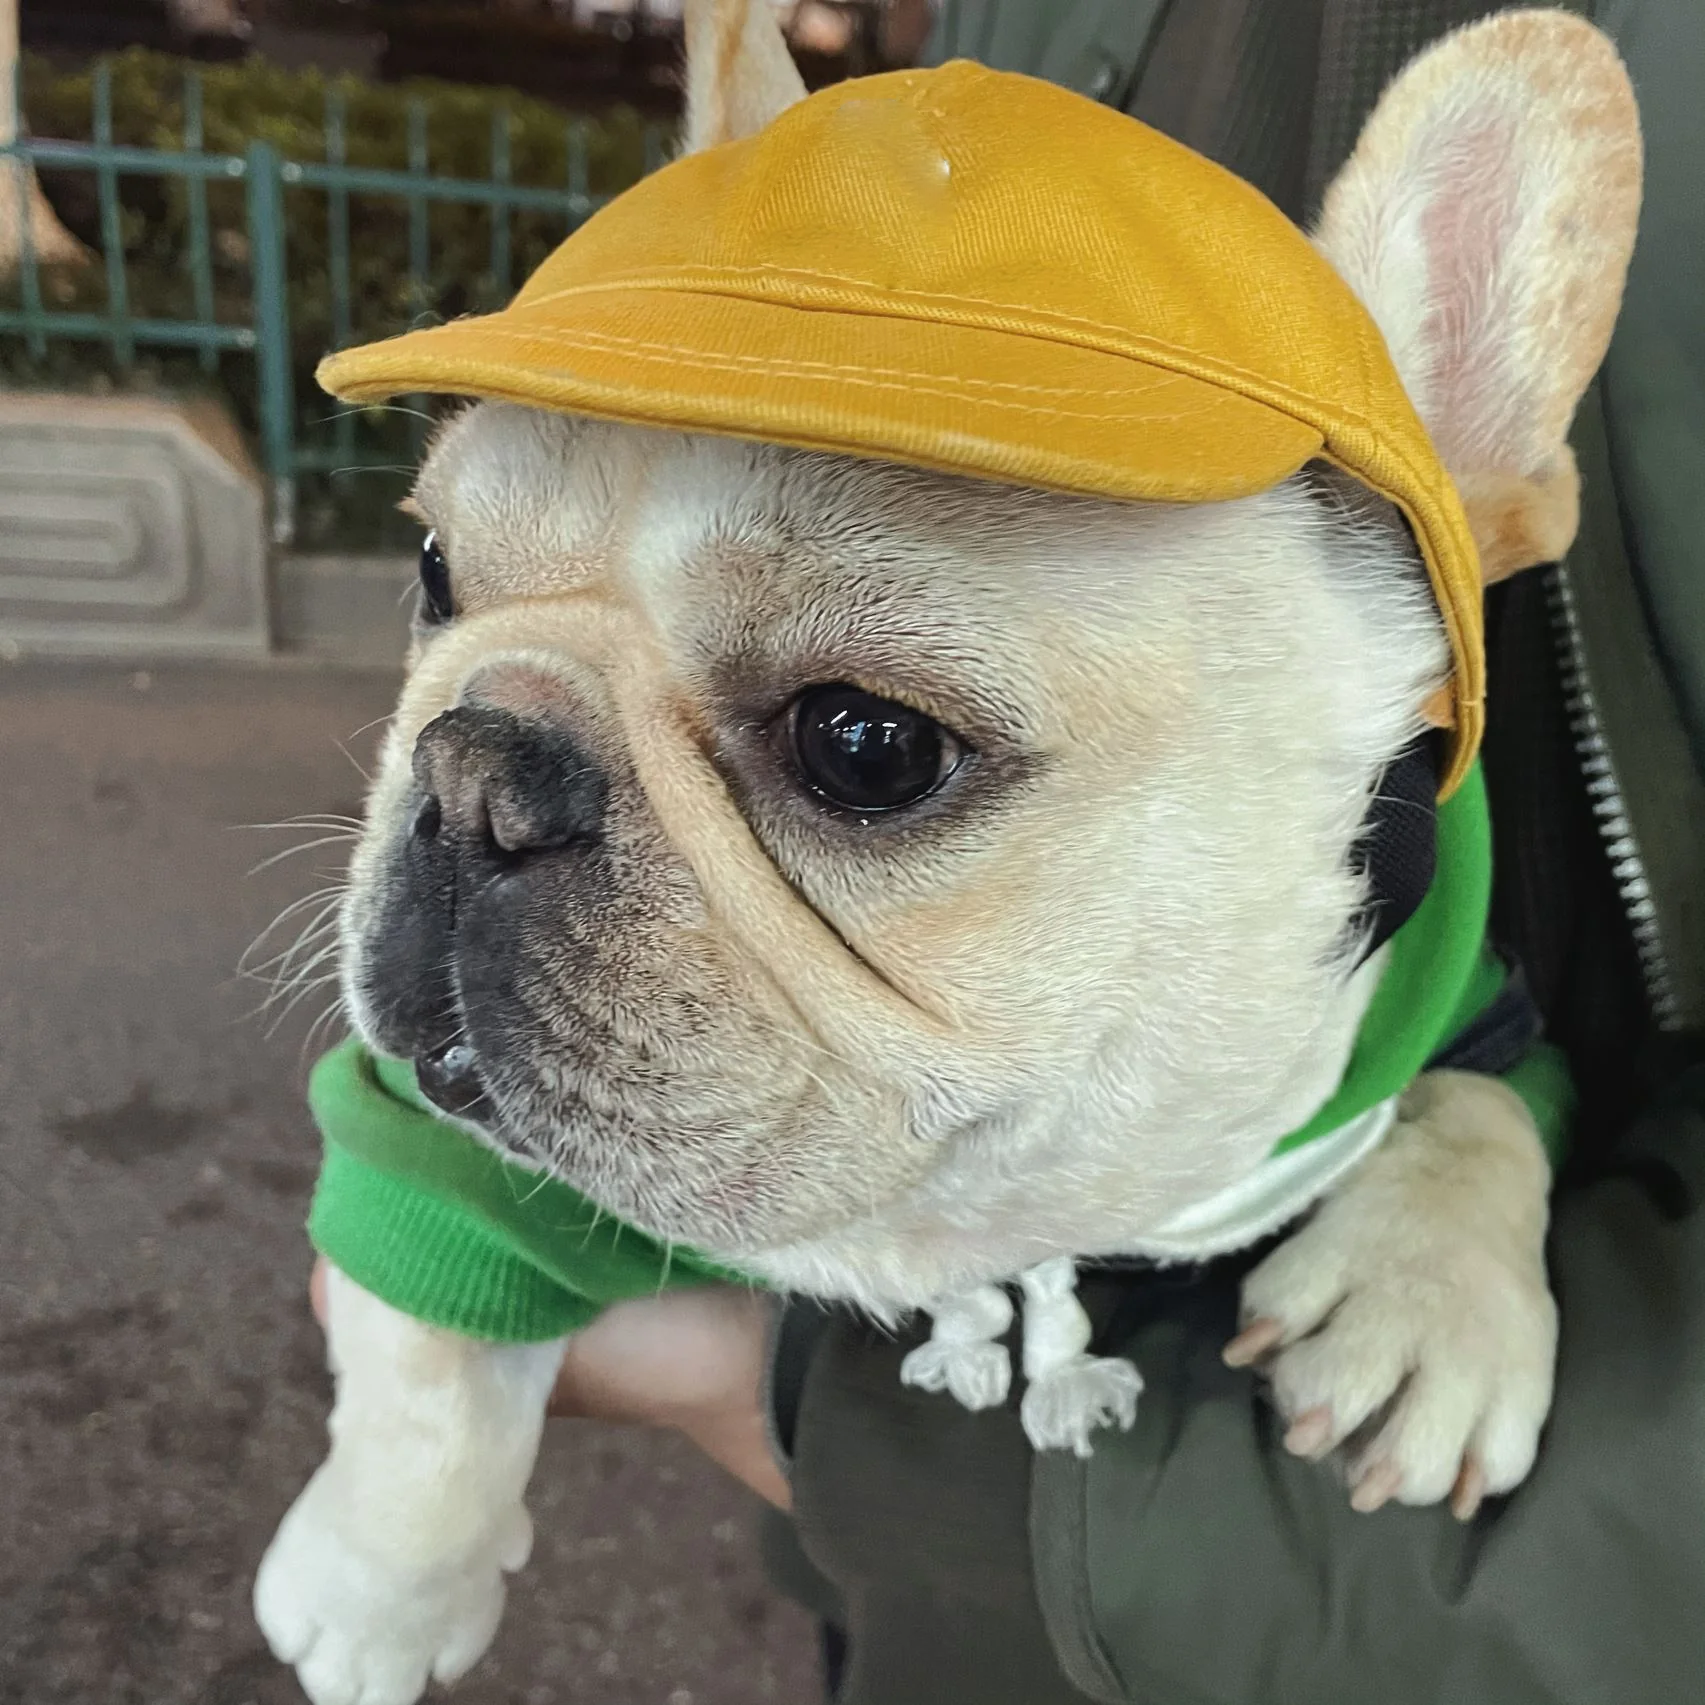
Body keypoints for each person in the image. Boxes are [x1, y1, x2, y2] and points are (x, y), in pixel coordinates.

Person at [314, 0, 1705, 1699]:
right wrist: (412, 1515)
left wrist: (1463, 1182)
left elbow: (1468, 1057)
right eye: (451, 580)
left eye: (865, 744)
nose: (477, 797)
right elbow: (413, 1206)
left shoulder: (1401, 924)